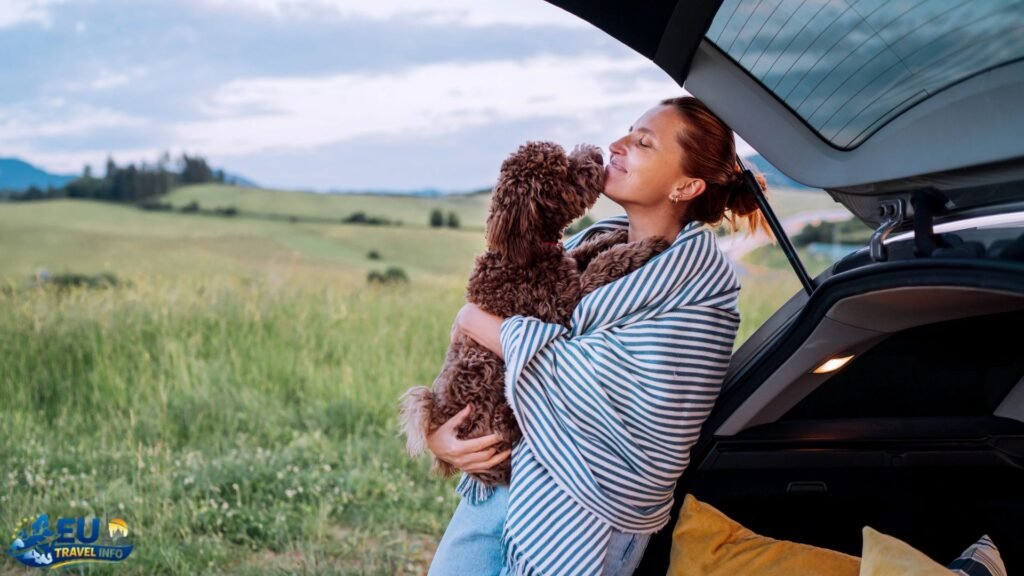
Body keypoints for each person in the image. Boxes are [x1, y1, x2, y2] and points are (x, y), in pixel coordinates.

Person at [424, 95, 772, 576]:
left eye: (643, 142)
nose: (616, 144)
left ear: (686, 184)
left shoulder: (696, 295)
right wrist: (442, 433)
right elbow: (493, 355)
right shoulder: (583, 248)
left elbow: (589, 385)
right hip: (503, 483)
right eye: (628, 130)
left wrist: (472, 318)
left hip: (586, 513)